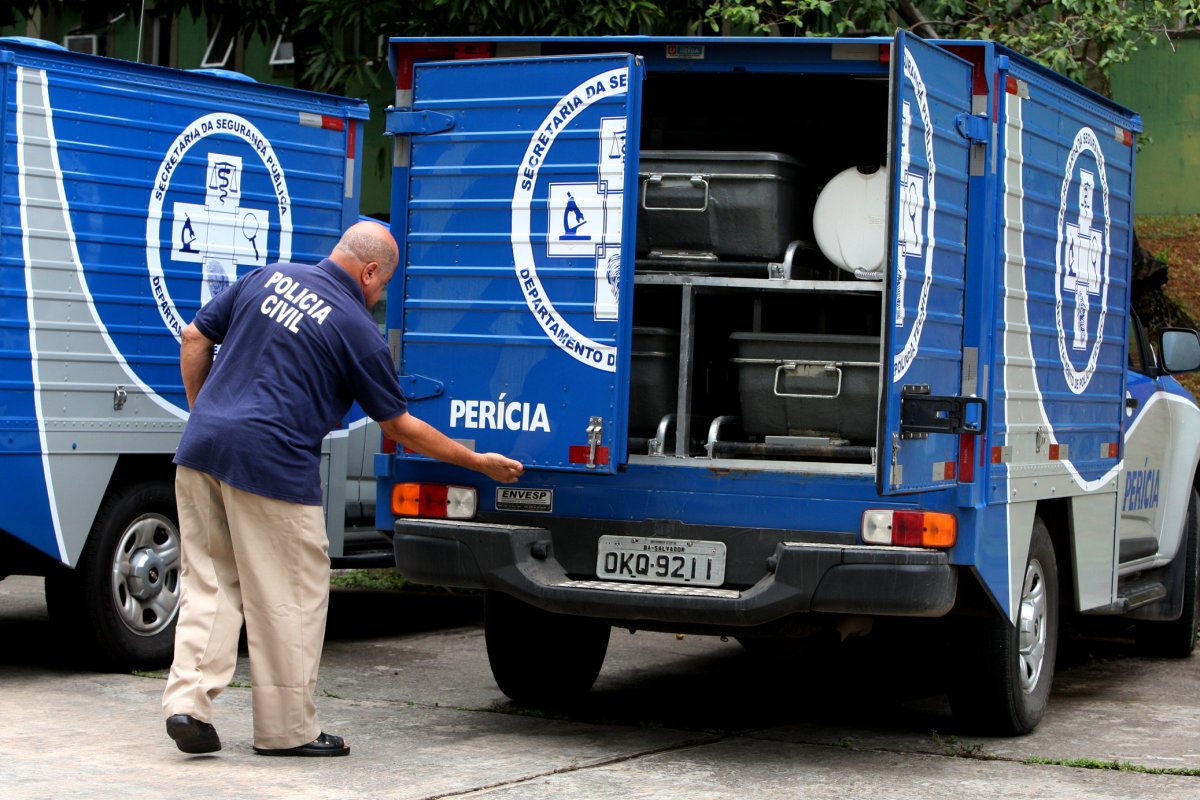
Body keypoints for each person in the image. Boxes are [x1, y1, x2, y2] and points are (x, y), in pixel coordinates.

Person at [161, 220, 523, 758]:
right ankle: (287, 731)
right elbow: (398, 426)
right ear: (370, 270)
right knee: (291, 597)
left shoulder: (266, 276)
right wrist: (474, 460)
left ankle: (186, 704)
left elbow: (195, 337)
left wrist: (207, 415)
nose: (379, 296)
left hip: (201, 453)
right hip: (274, 467)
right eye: (382, 285)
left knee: (210, 583)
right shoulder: (357, 329)